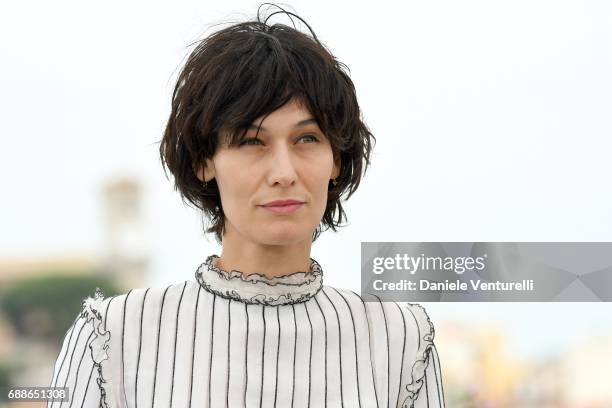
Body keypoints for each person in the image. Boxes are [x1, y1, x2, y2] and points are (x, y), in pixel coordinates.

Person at [47, 4, 445, 407]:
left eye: (306, 139)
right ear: (205, 161)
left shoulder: (402, 340)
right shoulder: (111, 336)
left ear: (336, 158)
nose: (283, 172)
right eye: (252, 141)